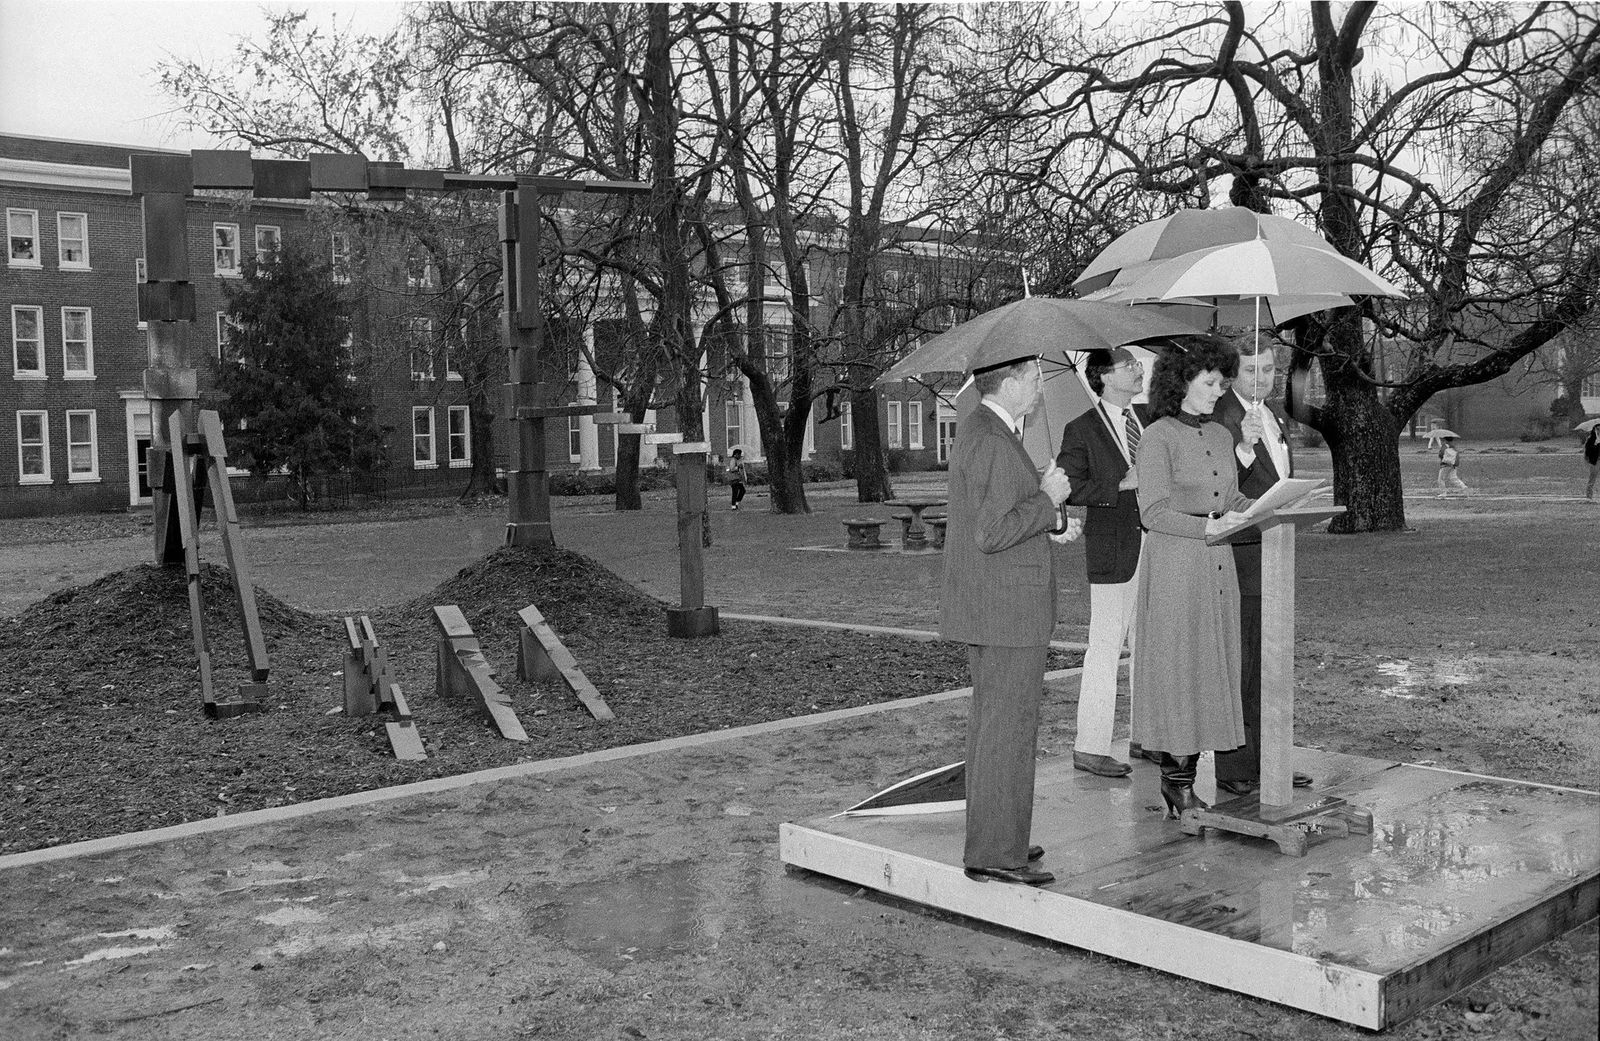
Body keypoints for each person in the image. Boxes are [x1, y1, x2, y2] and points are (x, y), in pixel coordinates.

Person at [940, 353, 1073, 886]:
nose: (1041, 386)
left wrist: (1045, 506)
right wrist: (1046, 498)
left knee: (1000, 728)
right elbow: (992, 533)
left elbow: (997, 515)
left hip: (999, 608)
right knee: (1005, 730)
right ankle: (995, 852)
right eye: (1036, 377)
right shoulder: (993, 440)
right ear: (1012, 382)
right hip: (1006, 611)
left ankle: (1001, 837)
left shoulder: (988, 431)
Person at [1130, 337, 1252, 820]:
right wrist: (1208, 526)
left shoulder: (1222, 436)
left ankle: (1190, 773)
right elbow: (1153, 512)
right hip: (1177, 566)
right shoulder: (1157, 436)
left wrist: (1278, 503)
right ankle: (1175, 781)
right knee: (1181, 668)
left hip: (1218, 567)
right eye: (1209, 383)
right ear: (1181, 382)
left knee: (1212, 665)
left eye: (1223, 384)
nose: (1218, 392)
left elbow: (1233, 501)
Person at [1211, 347, 1314, 797]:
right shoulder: (1220, 414)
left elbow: (1278, 479)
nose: (1262, 377)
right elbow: (1216, 483)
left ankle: (1271, 760)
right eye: (1252, 369)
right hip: (1240, 556)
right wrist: (1244, 447)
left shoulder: (1271, 414)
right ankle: (1236, 766)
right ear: (1234, 372)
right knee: (1243, 665)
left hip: (1274, 551)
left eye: (1269, 369)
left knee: (1270, 664)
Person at [1055, 347, 1151, 779]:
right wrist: (1121, 483)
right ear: (1103, 377)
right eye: (1127, 365)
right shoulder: (1081, 429)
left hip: (1157, 546)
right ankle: (1091, 746)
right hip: (1113, 550)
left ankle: (1146, 736)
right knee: (1105, 648)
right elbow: (1070, 487)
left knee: (1148, 646)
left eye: (1136, 364)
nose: (1137, 370)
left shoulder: (1148, 422)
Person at [1583, 426, 1598, 500]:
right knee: (1592, 478)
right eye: (1597, 429)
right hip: (1595, 461)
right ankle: (1589, 496)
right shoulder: (1591, 439)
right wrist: (1595, 445)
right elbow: (1587, 451)